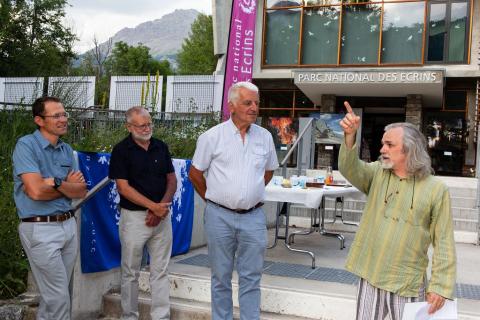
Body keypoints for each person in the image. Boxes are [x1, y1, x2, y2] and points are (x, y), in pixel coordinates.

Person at [338, 101, 456, 320]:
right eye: (383, 144)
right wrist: (349, 136)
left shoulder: (436, 189)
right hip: (370, 275)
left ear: (409, 150)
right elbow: (349, 168)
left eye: (389, 145)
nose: (382, 149)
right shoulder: (377, 173)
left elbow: (444, 242)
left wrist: (440, 285)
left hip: (408, 283)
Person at [189, 81, 279, 320]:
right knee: (221, 277)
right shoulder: (211, 137)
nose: (254, 108)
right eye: (247, 102)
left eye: (256, 103)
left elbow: (268, 172)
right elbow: (195, 174)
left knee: (252, 278)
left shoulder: (265, 137)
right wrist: (213, 200)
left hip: (254, 217)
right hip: (219, 217)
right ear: (232, 105)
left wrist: (250, 192)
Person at [13, 96, 87, 320]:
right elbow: (35, 192)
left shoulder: (67, 150)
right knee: (58, 297)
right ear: (39, 120)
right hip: (40, 229)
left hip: (67, 225)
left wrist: (54, 183)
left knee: (54, 295)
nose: (63, 119)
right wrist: (67, 186)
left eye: (64, 114)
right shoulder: (26, 145)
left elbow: (81, 191)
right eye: (56, 115)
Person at [109, 106, 177, 320]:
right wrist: (152, 207)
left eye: (149, 123)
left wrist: (161, 207)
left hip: (162, 218)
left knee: (161, 270)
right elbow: (123, 187)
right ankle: (129, 316)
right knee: (130, 272)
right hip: (135, 219)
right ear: (129, 126)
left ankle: (161, 316)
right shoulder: (121, 150)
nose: (147, 128)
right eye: (142, 125)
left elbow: (172, 180)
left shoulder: (160, 146)